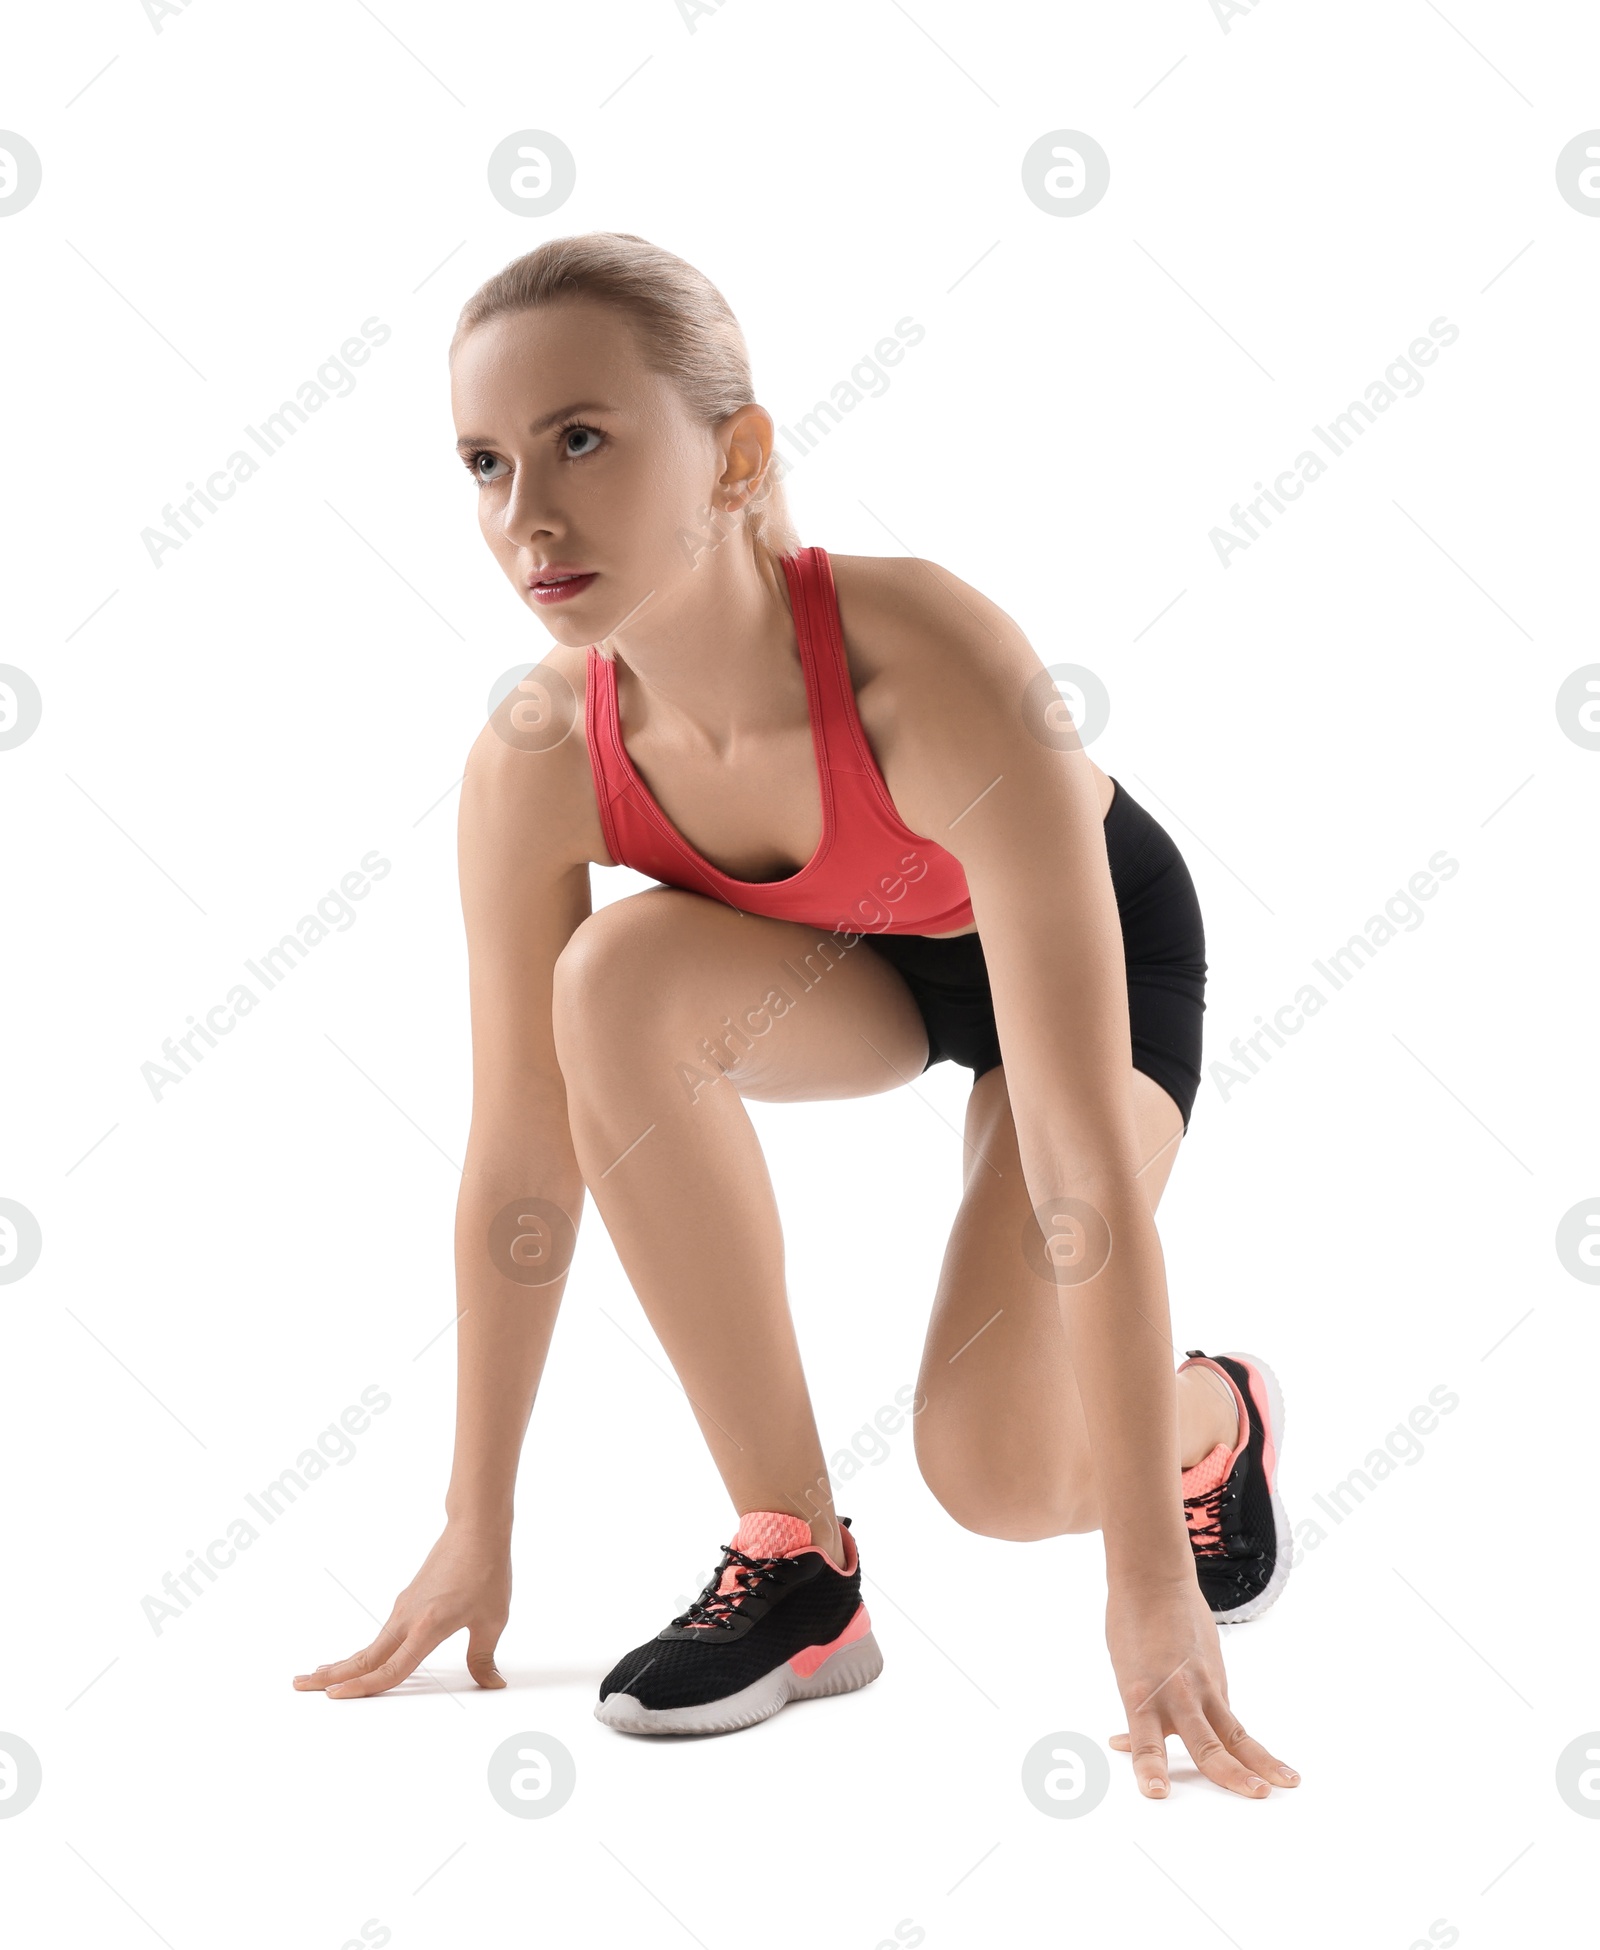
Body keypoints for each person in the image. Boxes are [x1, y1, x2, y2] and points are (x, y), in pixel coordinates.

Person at [293, 232, 1299, 1801]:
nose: (526, 515)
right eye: (484, 463)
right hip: (848, 963)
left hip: (1084, 953)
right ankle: (798, 1562)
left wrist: (1141, 1580)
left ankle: (1209, 1415)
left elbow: (1083, 1166)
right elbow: (519, 1163)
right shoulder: (540, 753)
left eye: (580, 439)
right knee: (606, 983)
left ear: (735, 453)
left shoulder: (934, 658)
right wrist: (475, 1520)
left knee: (995, 1466)